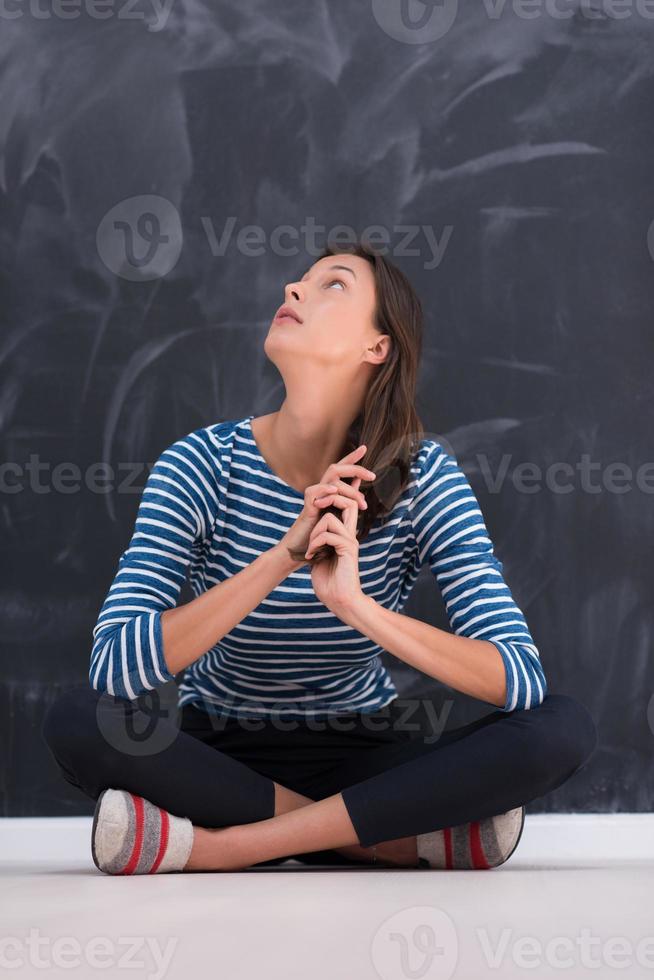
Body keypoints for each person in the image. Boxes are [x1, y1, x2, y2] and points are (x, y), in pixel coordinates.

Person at [41, 241, 598, 875]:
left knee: (561, 727)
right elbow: (114, 669)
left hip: (363, 747)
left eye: (332, 285)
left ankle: (221, 848)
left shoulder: (424, 477)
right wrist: (283, 555)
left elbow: (519, 679)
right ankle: (382, 840)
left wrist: (355, 606)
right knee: (78, 721)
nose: (293, 290)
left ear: (377, 347)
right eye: (299, 281)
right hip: (216, 748)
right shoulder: (200, 465)